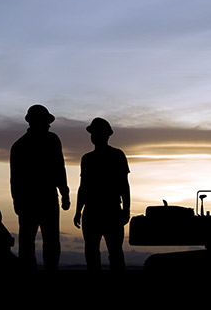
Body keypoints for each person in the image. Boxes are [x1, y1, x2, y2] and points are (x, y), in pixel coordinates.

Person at [10, 104, 70, 270]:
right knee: (43, 241)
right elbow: (59, 169)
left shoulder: (20, 145)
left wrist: (17, 201)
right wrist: (64, 194)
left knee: (32, 242)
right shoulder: (50, 141)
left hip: (34, 200)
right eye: (46, 121)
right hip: (42, 200)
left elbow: (15, 179)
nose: (49, 125)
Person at [73, 117, 130, 271]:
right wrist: (78, 211)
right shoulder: (87, 159)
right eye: (92, 133)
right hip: (94, 211)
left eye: (96, 133)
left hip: (110, 209)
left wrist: (126, 210)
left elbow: (124, 185)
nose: (94, 136)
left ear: (105, 135)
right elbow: (83, 187)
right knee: (93, 252)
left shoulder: (117, 155)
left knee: (114, 252)